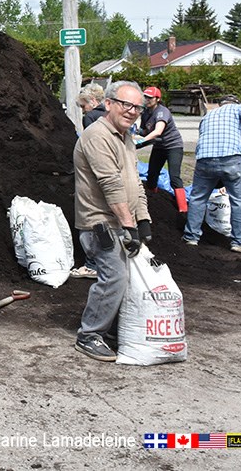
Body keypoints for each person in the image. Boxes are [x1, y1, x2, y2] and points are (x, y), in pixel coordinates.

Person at [72, 81, 152, 361]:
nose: (131, 111)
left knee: (126, 278)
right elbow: (110, 184)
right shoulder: (97, 136)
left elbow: (134, 182)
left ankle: (113, 330)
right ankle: (89, 335)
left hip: (122, 220)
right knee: (114, 277)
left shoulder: (126, 137)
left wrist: (143, 220)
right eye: (125, 104)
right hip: (100, 224)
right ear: (108, 104)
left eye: (137, 107)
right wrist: (129, 225)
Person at [182, 95, 241, 252]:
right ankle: (239, 242)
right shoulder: (238, 108)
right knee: (239, 200)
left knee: (198, 198)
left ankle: (191, 237)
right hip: (230, 158)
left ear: (219, 104)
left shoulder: (208, 115)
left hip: (204, 159)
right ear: (235, 102)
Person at [70, 82, 107, 279]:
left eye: (83, 105)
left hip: (94, 174)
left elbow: (92, 145)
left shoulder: (91, 117)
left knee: (90, 220)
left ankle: (92, 264)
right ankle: (107, 261)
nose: (83, 109)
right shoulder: (109, 116)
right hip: (110, 173)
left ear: (92, 102)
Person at [135, 86, 187, 216]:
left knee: (174, 177)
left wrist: (141, 141)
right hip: (159, 146)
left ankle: (183, 209)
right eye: (145, 97)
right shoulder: (146, 113)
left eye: (149, 97)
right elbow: (146, 131)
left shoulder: (162, 111)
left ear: (157, 99)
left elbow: (157, 131)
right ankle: (154, 202)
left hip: (173, 146)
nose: (146, 99)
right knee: (152, 174)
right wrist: (136, 131)